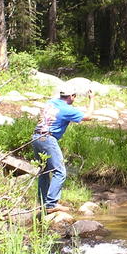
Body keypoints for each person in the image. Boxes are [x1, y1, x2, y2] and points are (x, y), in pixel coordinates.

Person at [32, 84, 95, 212]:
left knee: (44, 171)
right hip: (48, 139)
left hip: (36, 137)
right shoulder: (67, 109)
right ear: (71, 96)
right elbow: (88, 117)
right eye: (74, 96)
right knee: (60, 172)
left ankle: (43, 203)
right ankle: (51, 204)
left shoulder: (50, 102)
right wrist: (92, 99)